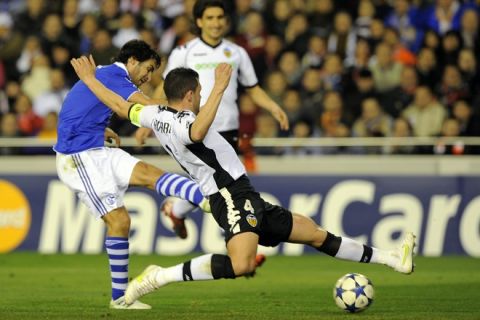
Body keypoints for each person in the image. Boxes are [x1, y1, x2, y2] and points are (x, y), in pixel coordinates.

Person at [70, 55, 417, 308]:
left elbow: (118, 103)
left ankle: (392, 258)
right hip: (228, 195)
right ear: (191, 95)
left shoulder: (153, 114)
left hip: (244, 193)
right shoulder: (182, 122)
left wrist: (90, 81)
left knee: (313, 233)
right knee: (241, 264)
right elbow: (197, 131)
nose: (204, 96)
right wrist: (221, 87)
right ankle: (159, 276)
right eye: (201, 92)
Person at [54, 40, 211, 310]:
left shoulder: (103, 75)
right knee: (120, 221)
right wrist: (185, 109)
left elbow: (74, 110)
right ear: (132, 61)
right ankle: (120, 298)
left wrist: (99, 129)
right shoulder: (115, 75)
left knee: (150, 174)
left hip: (97, 147)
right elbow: (149, 107)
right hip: (79, 158)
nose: (148, 78)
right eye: (147, 69)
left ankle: (209, 197)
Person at [142, 0, 290, 238]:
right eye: (210, 18)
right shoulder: (184, 51)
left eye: (220, 17)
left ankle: (179, 211)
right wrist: (148, 123)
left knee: (220, 186)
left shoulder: (237, 52)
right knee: (218, 187)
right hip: (193, 129)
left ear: (226, 21)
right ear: (199, 21)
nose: (215, 23)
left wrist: (273, 106)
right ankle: (238, 238)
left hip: (228, 128)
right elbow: (166, 90)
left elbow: (252, 88)